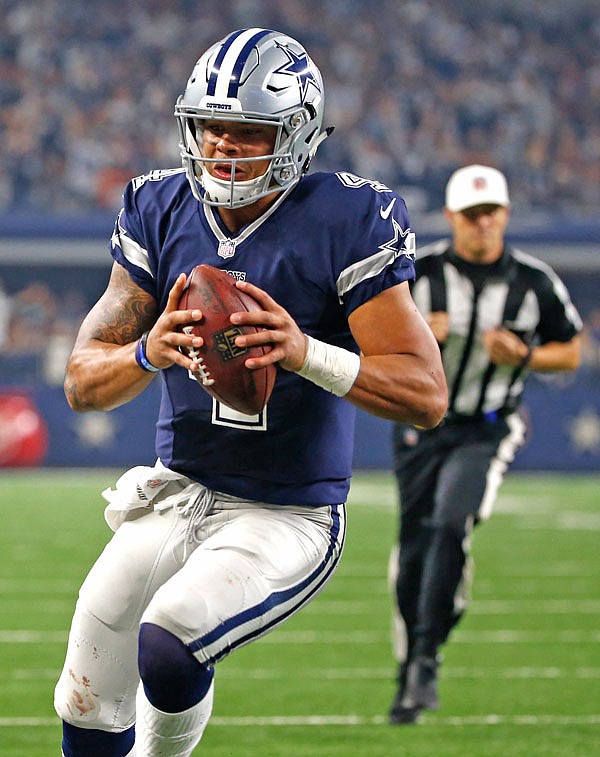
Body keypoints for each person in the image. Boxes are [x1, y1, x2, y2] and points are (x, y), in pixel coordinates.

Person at [53, 28, 447, 757]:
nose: (224, 147)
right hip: (178, 490)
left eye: (248, 131)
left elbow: (426, 393)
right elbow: (83, 379)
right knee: (86, 691)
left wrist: (304, 352)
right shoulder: (158, 207)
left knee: (170, 643)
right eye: (211, 127)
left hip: (288, 511)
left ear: (296, 136)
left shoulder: (349, 219)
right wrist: (147, 351)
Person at [387, 164, 582, 725]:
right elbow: (363, 334)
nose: (482, 224)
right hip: (422, 425)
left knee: (451, 522)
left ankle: (425, 658)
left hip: (487, 425)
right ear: (451, 218)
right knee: (417, 547)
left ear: (505, 216)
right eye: (471, 215)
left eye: (490, 212)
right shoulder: (416, 275)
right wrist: (421, 334)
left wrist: (522, 356)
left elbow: (569, 349)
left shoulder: (533, 280)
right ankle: (414, 661)